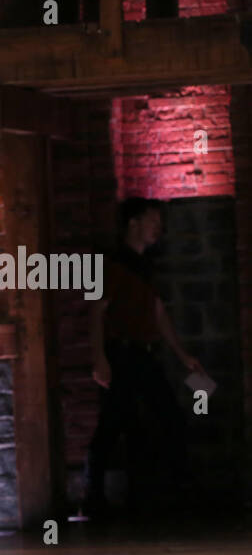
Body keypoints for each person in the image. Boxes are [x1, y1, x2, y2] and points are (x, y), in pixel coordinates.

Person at [84, 197, 207, 521]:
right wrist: (99, 358)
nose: (159, 228)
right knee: (116, 425)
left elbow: (157, 311)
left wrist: (183, 356)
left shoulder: (146, 266)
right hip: (121, 353)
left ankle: (162, 496)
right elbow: (96, 311)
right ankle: (95, 497)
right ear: (133, 223)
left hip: (143, 353)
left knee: (161, 420)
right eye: (152, 221)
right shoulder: (110, 264)